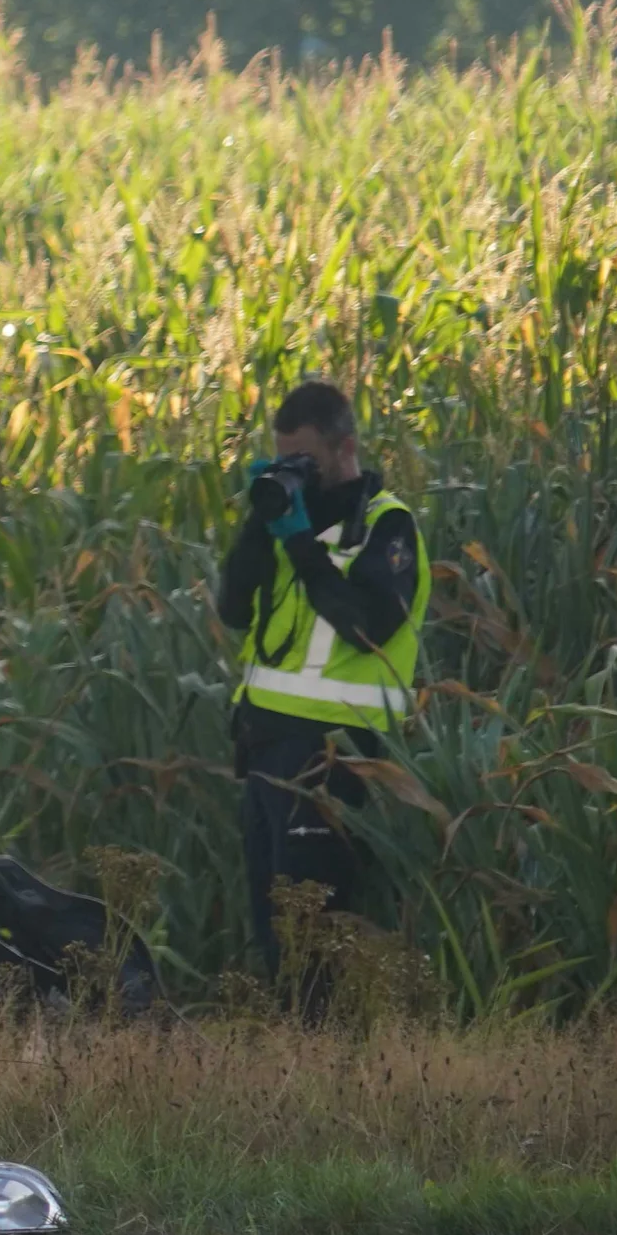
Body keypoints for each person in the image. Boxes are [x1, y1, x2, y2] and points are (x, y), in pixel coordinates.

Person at [215, 377, 427, 970]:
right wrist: (261, 524)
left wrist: (302, 544)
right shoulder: (287, 521)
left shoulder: (386, 526)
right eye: (286, 460)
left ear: (345, 447)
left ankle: (323, 1054)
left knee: (313, 936)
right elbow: (232, 610)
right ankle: (283, 1052)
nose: (297, 471)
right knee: (271, 933)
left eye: (306, 459)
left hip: (334, 755)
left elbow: (367, 627)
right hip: (265, 749)